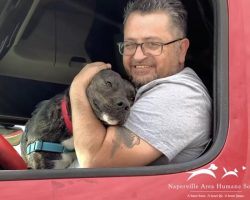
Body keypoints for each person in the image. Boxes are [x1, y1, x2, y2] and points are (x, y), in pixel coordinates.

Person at [69, 0, 212, 167]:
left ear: (181, 49)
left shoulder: (179, 96)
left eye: (153, 44)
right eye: (130, 44)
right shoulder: (159, 88)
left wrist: (78, 88)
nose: (137, 56)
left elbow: (93, 162)